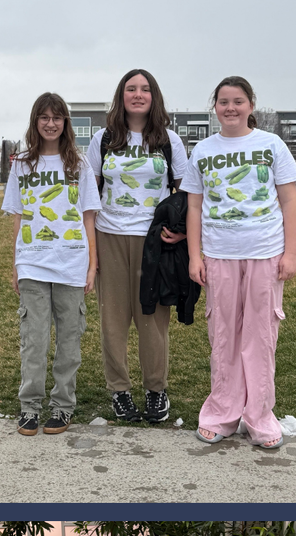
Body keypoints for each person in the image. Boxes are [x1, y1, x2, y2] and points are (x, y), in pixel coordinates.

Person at [183, 76, 296, 450]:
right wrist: (194, 256)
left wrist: (291, 252)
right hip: (218, 254)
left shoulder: (272, 145)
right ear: (214, 106)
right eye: (223, 101)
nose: (230, 108)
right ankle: (221, 414)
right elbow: (194, 207)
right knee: (224, 336)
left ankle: (260, 417)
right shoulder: (202, 150)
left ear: (251, 105)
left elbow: (289, 201)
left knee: (260, 337)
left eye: (238, 101)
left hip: (265, 251)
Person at [87, 69, 188, 424]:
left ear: (153, 96)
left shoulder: (168, 140)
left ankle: (156, 390)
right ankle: (120, 391)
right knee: (113, 320)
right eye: (131, 88)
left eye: (145, 89)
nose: (138, 94)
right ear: (122, 95)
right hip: (110, 235)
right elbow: (89, 193)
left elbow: (187, 193)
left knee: (153, 319)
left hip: (154, 242)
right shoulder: (103, 139)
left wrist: (183, 232)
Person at [2, 93, 100, 436]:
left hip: (72, 262)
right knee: (34, 340)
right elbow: (16, 217)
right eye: (44, 117)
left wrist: (92, 265)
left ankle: (62, 406)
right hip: (32, 263)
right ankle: (29, 406)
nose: (50, 123)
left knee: (69, 341)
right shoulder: (22, 163)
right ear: (35, 121)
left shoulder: (80, 164)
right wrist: (16, 263)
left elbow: (89, 217)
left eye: (57, 117)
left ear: (65, 123)